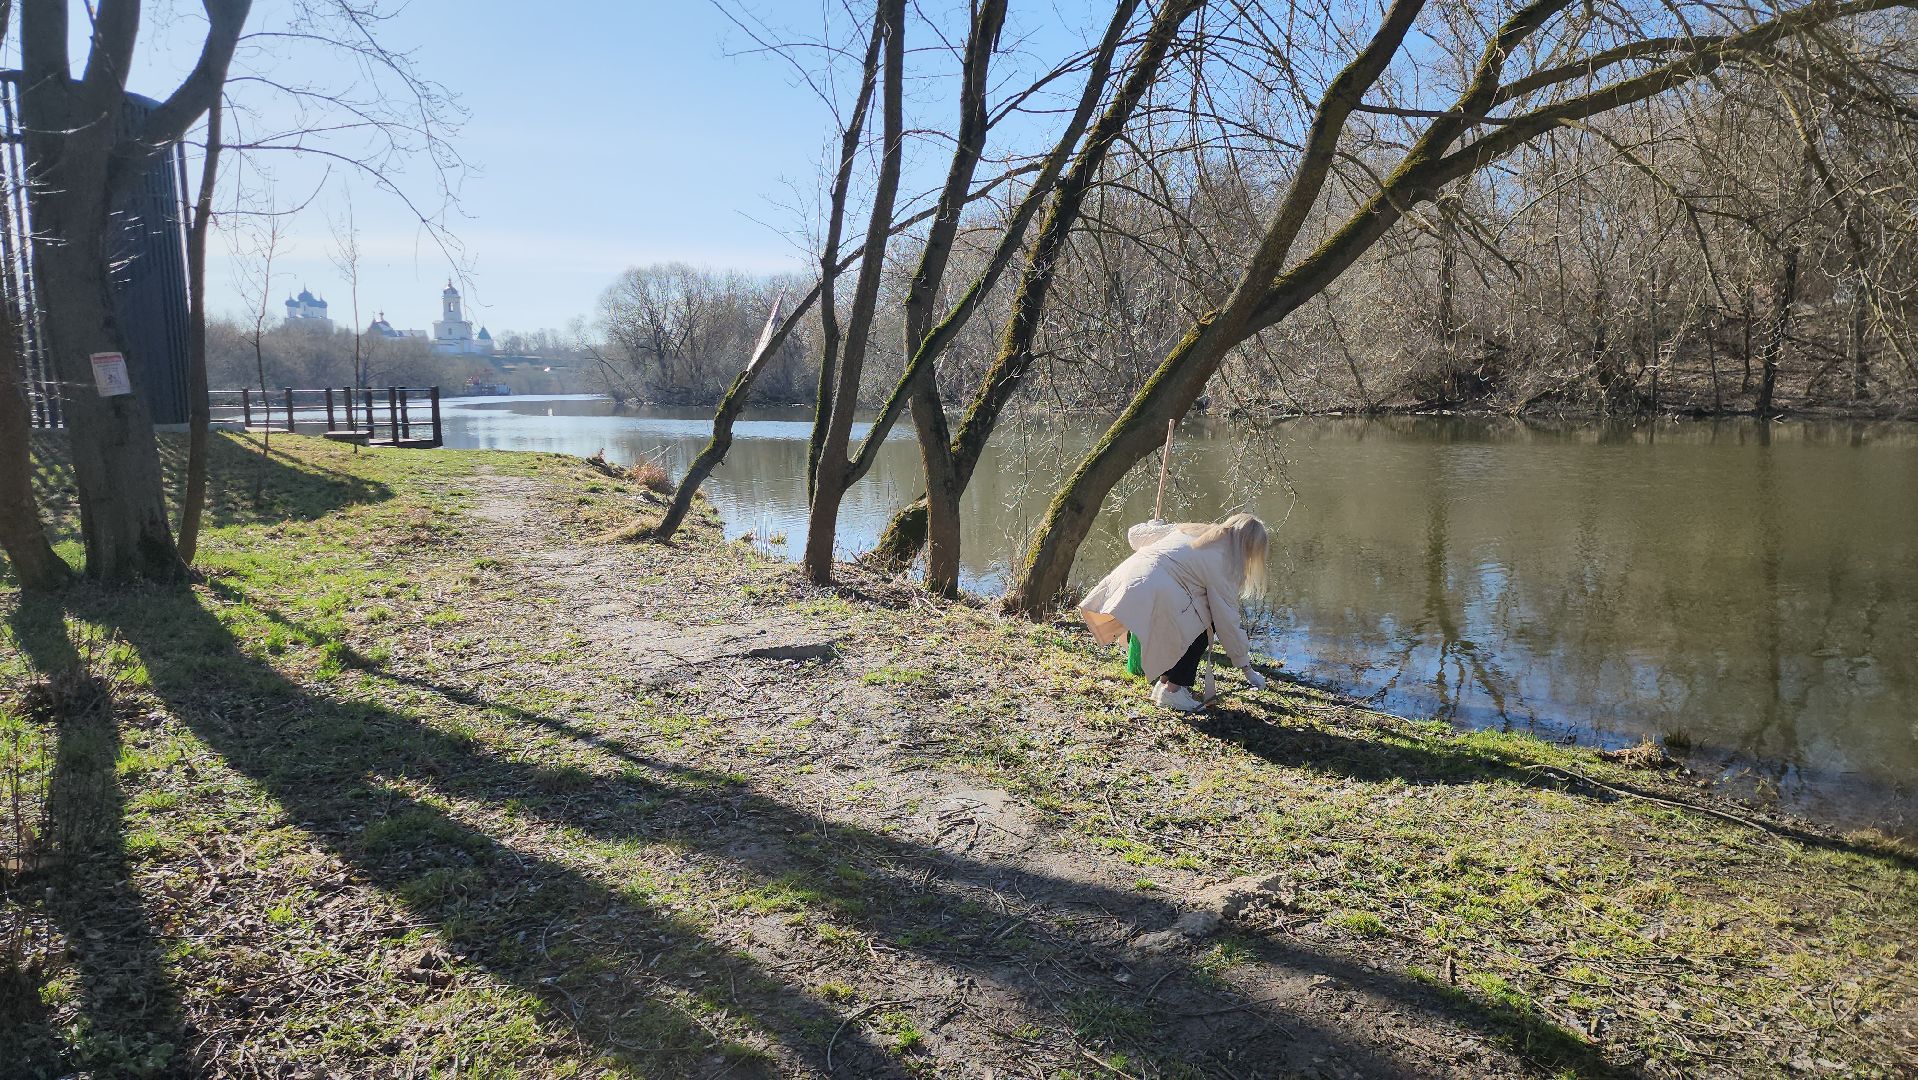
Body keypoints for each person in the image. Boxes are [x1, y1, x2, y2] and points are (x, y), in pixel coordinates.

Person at [1078, 513, 1270, 712]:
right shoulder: (1226, 562)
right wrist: (1247, 669)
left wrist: (1152, 526)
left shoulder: (1190, 529)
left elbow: (1135, 536)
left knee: (1189, 615)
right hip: (1156, 590)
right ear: (1249, 548)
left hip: (1130, 579)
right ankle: (1173, 691)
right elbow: (1227, 620)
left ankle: (1164, 684)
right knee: (1206, 624)